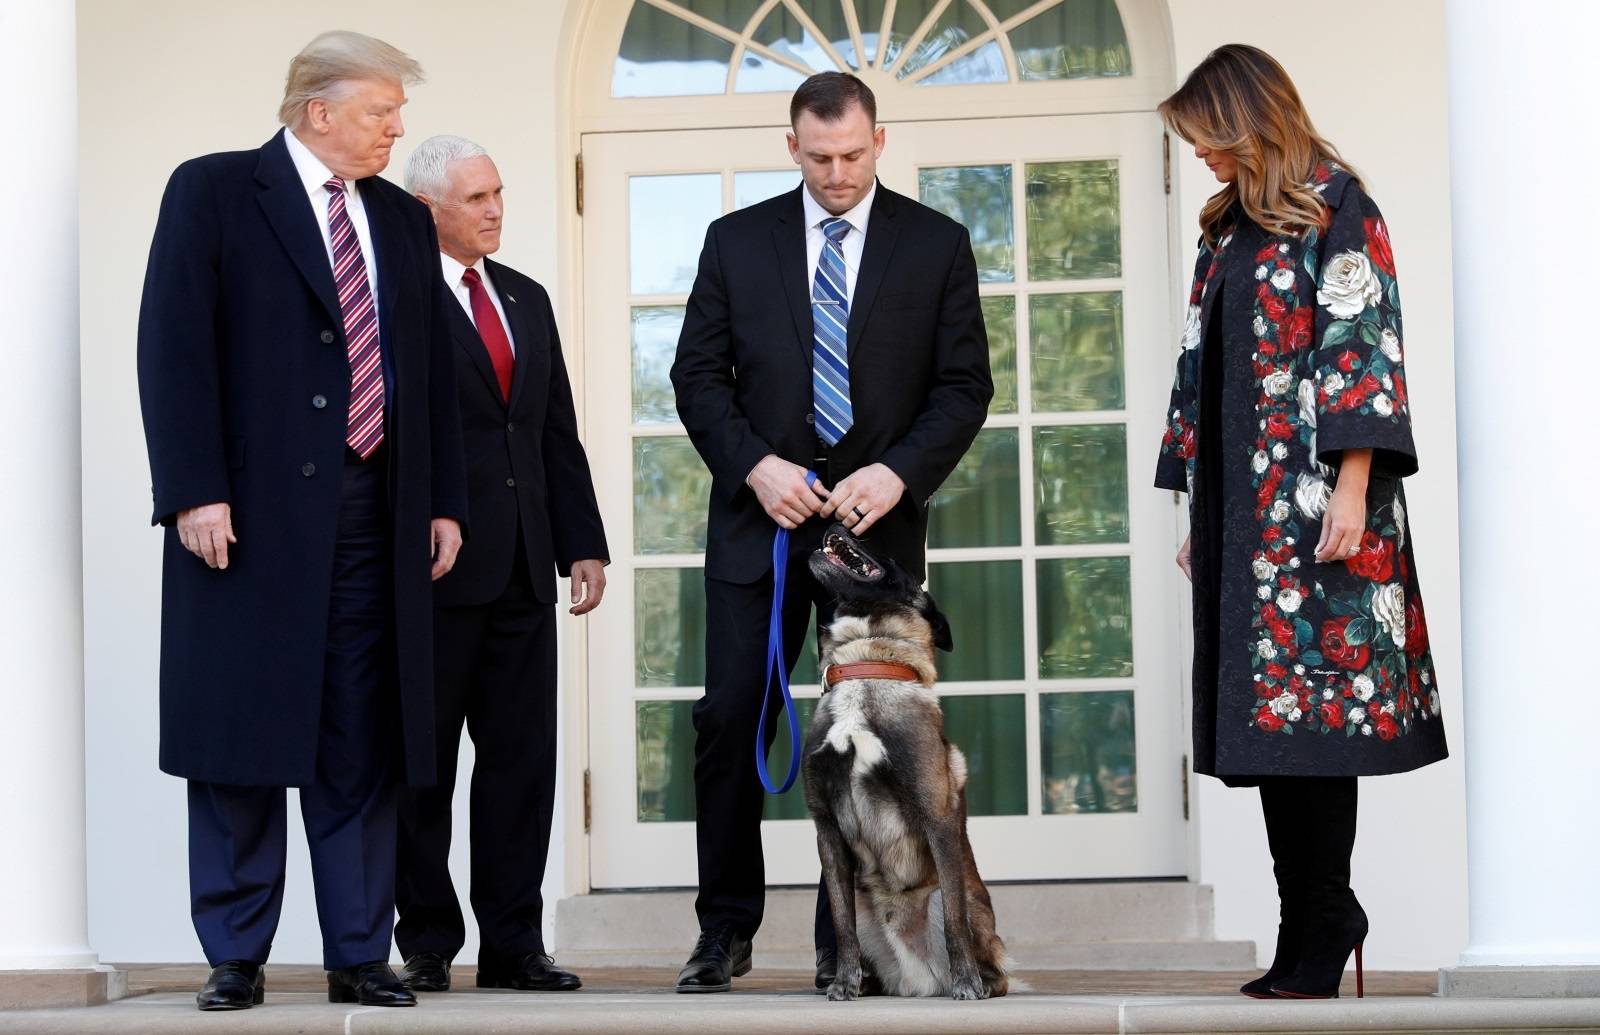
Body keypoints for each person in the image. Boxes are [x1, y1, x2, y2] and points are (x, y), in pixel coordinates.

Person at [136, 31, 467, 1012]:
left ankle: (359, 955)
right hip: (243, 518)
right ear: (317, 112)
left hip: (378, 514)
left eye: (396, 114)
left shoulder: (404, 220)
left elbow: (428, 374)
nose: (395, 129)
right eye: (379, 111)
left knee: (363, 739)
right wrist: (193, 487)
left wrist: (441, 499)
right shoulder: (213, 191)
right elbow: (173, 346)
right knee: (240, 737)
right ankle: (235, 954)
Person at [670, 71, 992, 994]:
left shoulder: (937, 244)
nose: (839, 172)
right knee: (731, 719)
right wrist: (757, 468)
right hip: (756, 527)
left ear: (879, 140)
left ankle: (839, 944)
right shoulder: (736, 243)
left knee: (869, 740)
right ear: (791, 147)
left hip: (875, 539)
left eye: (853, 154)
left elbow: (964, 386)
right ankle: (723, 931)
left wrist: (896, 473)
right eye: (820, 158)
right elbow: (697, 378)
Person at [1153, 44, 1447, 1000]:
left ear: (1246, 115)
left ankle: (1322, 916)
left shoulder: (1337, 205)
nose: (1198, 150)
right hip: (1246, 512)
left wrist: (1356, 487)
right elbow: (1204, 365)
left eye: (1205, 132)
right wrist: (1201, 502)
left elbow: (1363, 346)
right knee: (1275, 725)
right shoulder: (1229, 228)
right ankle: (1311, 916)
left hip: (1321, 508)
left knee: (1318, 714)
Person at [394, 135, 608, 994]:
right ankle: (429, 943)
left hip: (524, 563)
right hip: (437, 571)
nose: (494, 209)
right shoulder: (397, 297)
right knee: (425, 769)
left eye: (498, 194)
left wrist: (581, 540)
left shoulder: (526, 296)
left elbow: (553, 428)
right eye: (476, 197)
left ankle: (515, 943)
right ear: (427, 211)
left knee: (521, 765)